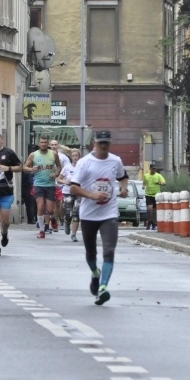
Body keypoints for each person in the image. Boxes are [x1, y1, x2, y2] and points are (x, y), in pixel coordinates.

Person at [70, 130, 129, 305]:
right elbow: (73, 188)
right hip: (88, 214)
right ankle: (95, 274)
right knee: (91, 253)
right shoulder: (84, 163)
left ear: (109, 144)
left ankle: (102, 288)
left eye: (106, 143)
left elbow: (123, 177)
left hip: (109, 213)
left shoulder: (115, 161)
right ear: (94, 143)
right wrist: (91, 195)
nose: (103, 146)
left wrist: (123, 188)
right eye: (100, 143)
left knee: (109, 251)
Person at [24, 136, 62, 238]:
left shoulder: (53, 154)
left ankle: (53, 218)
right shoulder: (33, 155)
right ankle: (41, 230)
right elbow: (24, 167)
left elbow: (59, 166)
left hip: (50, 185)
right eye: (42, 142)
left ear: (48, 144)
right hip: (38, 184)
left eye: (45, 142)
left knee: (49, 209)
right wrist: (31, 169)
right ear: (38, 143)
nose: (43, 144)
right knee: (40, 206)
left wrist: (56, 173)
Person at [57, 148, 81, 241]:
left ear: (79, 157)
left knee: (76, 213)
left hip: (79, 192)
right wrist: (65, 182)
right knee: (68, 213)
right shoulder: (67, 167)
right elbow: (59, 179)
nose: (75, 158)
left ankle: (73, 234)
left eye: (77, 156)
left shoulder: (82, 167)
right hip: (68, 192)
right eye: (73, 156)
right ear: (71, 157)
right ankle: (67, 221)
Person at [50, 140, 71, 232]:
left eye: (55, 145)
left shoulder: (63, 157)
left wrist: (64, 180)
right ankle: (54, 222)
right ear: (49, 146)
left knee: (60, 203)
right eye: (52, 145)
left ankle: (61, 220)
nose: (54, 146)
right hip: (50, 182)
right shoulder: (46, 156)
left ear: (57, 146)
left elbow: (67, 169)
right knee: (53, 204)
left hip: (60, 182)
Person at [143, 163, 166, 230]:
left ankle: (153, 223)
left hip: (156, 195)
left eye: (155, 169)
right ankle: (149, 222)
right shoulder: (146, 176)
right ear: (150, 169)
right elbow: (144, 182)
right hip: (148, 195)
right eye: (153, 169)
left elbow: (164, 183)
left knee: (154, 210)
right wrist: (143, 186)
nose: (154, 170)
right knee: (149, 209)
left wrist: (159, 183)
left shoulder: (158, 176)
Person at [21, 144, 38, 224]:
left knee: (33, 204)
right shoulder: (26, 167)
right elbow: (27, 178)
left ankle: (34, 218)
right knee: (30, 204)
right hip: (28, 188)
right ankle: (31, 219)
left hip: (30, 187)